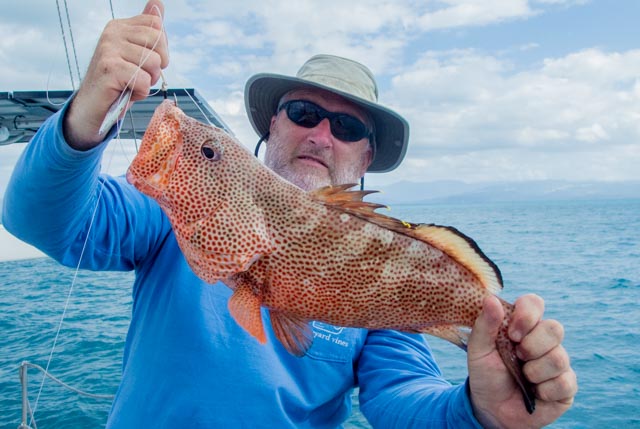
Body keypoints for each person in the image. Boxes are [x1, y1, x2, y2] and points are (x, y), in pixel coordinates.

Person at [3, 1, 577, 428]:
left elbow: (402, 396)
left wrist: (481, 409)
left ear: (366, 157)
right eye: (303, 112)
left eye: (347, 127)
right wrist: (85, 117)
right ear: (273, 124)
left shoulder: (386, 268)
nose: (322, 135)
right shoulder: (170, 214)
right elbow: (40, 219)